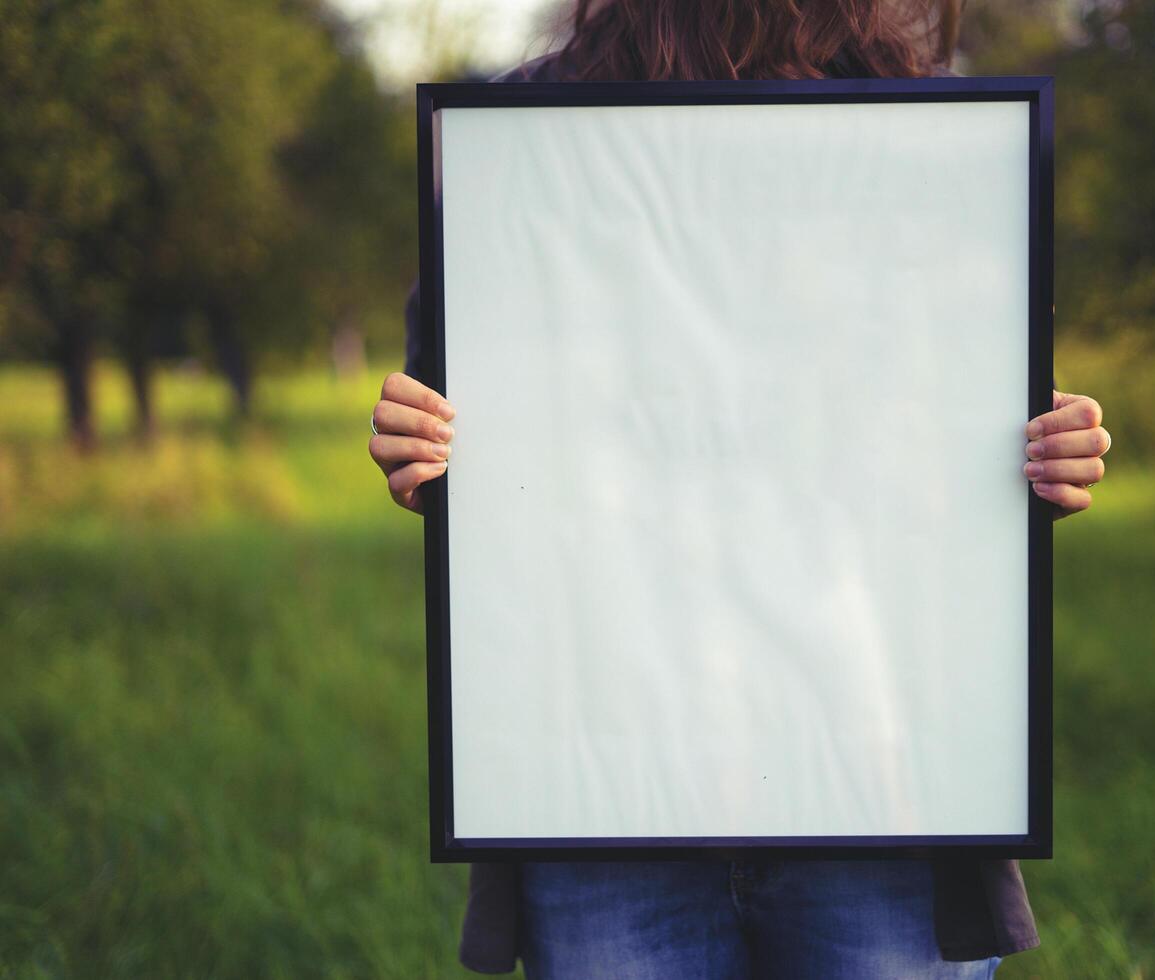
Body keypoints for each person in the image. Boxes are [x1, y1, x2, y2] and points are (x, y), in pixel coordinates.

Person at [368, 1, 1111, 976]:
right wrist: (418, 446)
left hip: (872, 766)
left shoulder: (927, 133)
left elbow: (948, 420)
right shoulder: (521, 136)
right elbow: (472, 429)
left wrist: (1038, 454)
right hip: (603, 774)